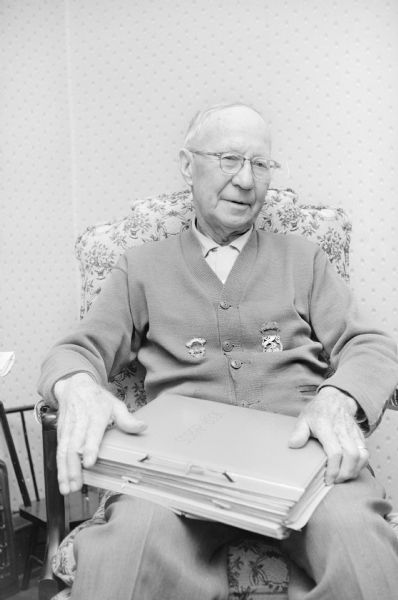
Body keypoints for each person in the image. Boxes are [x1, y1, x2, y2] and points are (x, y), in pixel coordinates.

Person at [38, 103, 398, 600]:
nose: (247, 180)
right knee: (127, 549)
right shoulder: (140, 267)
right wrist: (76, 385)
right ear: (188, 165)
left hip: (306, 465)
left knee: (363, 545)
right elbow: (76, 349)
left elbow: (370, 345)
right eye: (230, 159)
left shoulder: (304, 258)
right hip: (177, 476)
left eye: (261, 164)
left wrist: (338, 397)